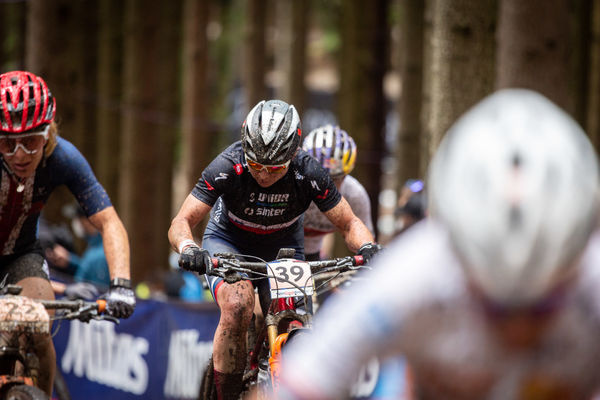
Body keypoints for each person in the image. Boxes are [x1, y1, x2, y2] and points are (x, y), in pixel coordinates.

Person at [276, 88, 600, 399]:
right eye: (492, 306)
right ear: (453, 252)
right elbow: (302, 385)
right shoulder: (414, 275)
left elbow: (359, 234)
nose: (517, 331)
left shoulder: (593, 282)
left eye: (544, 305)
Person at [168, 99, 379, 399]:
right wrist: (188, 246)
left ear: (293, 155)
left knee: (293, 319)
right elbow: (181, 221)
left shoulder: (309, 172)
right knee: (238, 305)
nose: (264, 175)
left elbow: (349, 223)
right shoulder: (227, 165)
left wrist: (368, 246)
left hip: (282, 247)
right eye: (256, 165)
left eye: (275, 168)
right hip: (228, 241)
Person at [0, 70, 135, 395]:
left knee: (38, 329)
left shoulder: (63, 158)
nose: (20, 155)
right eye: (7, 143)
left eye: (30, 141)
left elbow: (109, 221)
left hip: (21, 256)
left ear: (48, 133)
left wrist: (120, 285)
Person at [301, 125, 374, 261]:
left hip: (312, 255)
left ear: (346, 175)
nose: (325, 185)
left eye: (335, 179)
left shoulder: (355, 194)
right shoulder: (292, 183)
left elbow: (366, 243)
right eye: (317, 177)